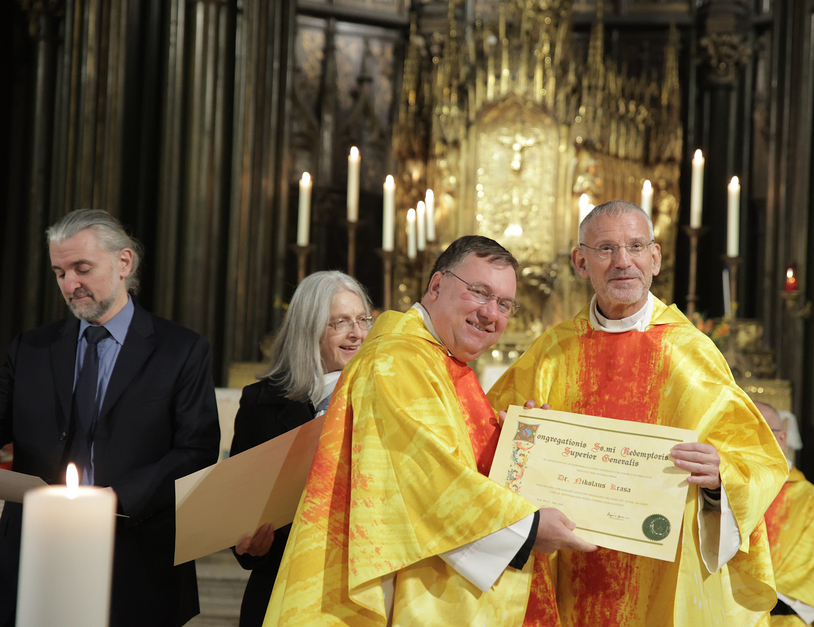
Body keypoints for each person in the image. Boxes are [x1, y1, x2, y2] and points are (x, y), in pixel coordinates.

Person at [263, 236, 596, 627]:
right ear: (437, 285)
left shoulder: (440, 358)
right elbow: (424, 478)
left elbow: (460, 462)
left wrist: (521, 446)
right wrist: (528, 528)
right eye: (479, 292)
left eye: (505, 304)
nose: (491, 313)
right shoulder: (395, 359)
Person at [488, 200, 788, 627]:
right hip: (567, 563)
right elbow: (487, 435)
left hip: (662, 568)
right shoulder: (551, 353)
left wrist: (720, 476)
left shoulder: (691, 353)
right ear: (581, 262)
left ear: (655, 258)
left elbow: (758, 461)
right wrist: (522, 435)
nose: (622, 261)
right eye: (605, 248)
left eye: (635, 246)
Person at [0, 209, 221, 627]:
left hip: (136, 554)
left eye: (82, 269)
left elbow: (197, 449)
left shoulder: (181, 350)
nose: (70, 285)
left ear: (124, 262)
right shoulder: (30, 348)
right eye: (60, 272)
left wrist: (114, 499)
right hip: (33, 555)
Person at [230, 270, 374, 627]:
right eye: (341, 322)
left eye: (362, 320)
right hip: (283, 590)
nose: (357, 333)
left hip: (363, 593)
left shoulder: (386, 396)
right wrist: (252, 547)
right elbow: (240, 508)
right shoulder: (261, 404)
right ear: (308, 328)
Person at [758, 402, 814, 626]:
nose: (750, 441)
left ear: (782, 438)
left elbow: (806, 567)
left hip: (779, 610)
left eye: (761, 431)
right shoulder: (721, 487)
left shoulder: (808, 497)